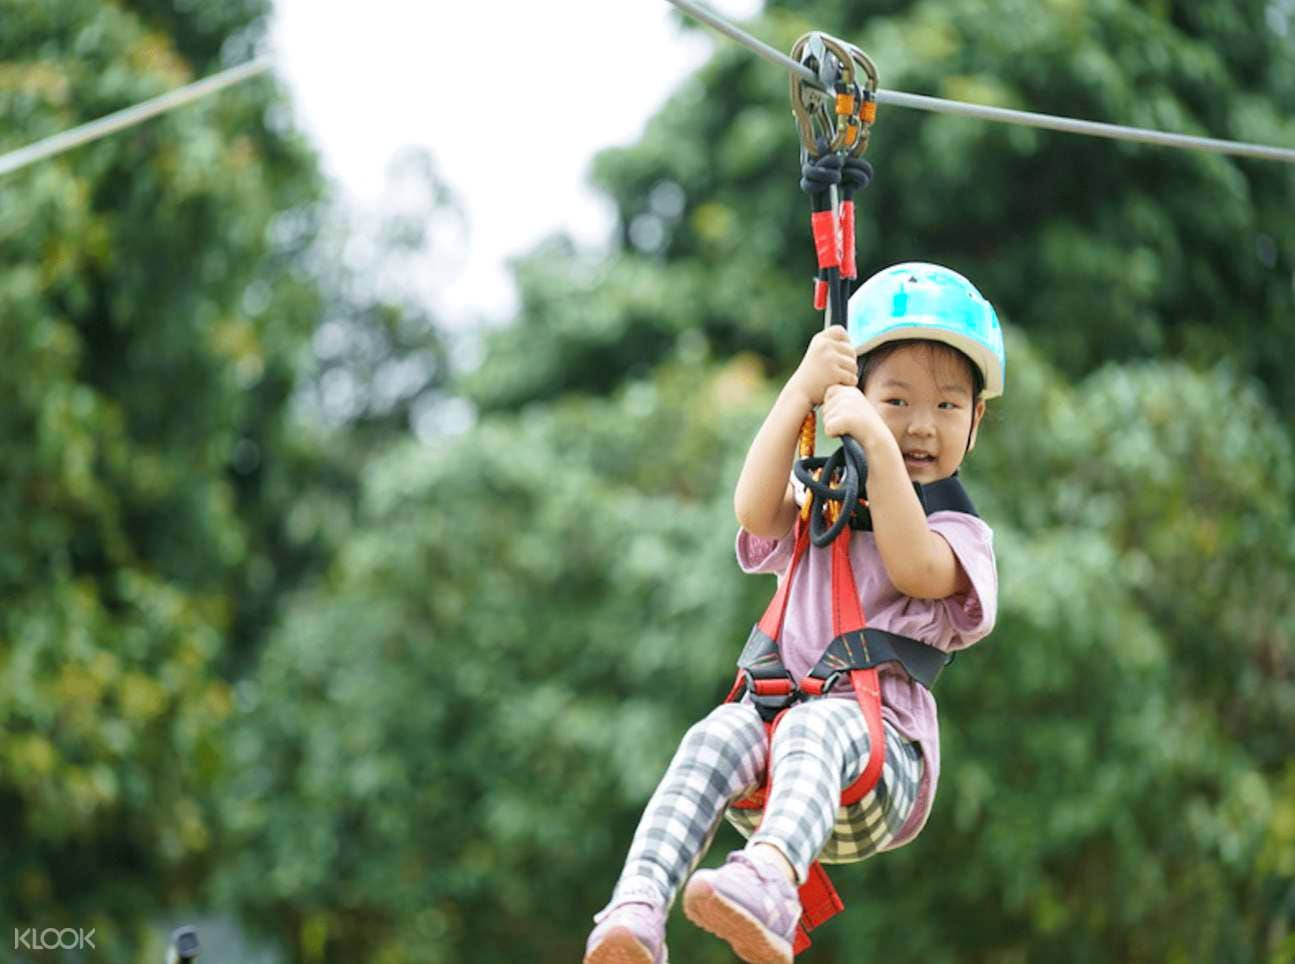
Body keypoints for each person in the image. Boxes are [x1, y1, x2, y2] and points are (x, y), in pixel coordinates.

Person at [583, 262, 1005, 964]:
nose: (919, 426)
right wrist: (801, 392)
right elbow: (752, 509)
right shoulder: (824, 501)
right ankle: (636, 909)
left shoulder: (961, 537)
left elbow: (909, 564)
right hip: (778, 753)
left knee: (817, 721)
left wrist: (874, 443)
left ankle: (771, 883)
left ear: (975, 420)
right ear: (856, 398)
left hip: (877, 764)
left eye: (947, 407)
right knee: (713, 736)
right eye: (894, 402)